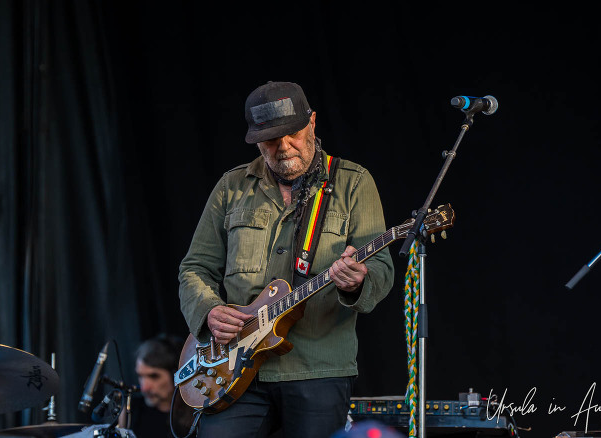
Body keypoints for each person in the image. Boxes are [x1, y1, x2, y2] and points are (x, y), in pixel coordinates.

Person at [178, 81, 395, 438]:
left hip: (319, 368)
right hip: (234, 369)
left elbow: (381, 268)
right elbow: (195, 268)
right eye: (270, 139)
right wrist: (208, 312)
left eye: (292, 133)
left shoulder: (353, 183)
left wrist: (357, 281)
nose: (283, 147)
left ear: (312, 122)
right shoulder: (231, 186)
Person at [119, 334, 193, 438]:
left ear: (177, 374)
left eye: (154, 376)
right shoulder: (130, 411)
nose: (144, 388)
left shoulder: (197, 413)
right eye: (140, 376)